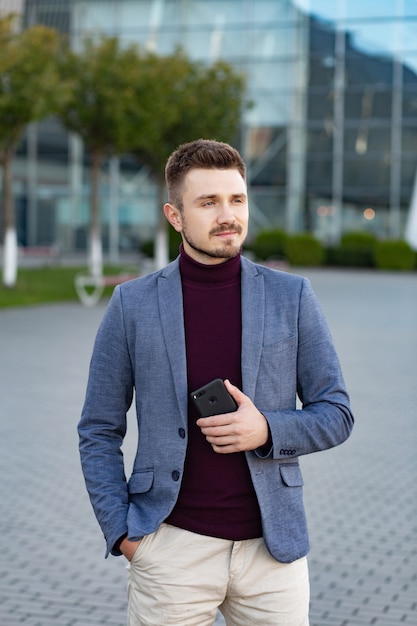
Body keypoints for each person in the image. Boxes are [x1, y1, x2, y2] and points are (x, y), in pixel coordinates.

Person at [78, 139, 354, 626]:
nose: (228, 214)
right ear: (175, 215)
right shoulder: (132, 305)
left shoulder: (292, 296)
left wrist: (267, 429)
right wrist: (122, 532)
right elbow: (98, 429)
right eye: (208, 202)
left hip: (273, 554)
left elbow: (337, 413)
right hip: (171, 549)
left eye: (237, 199)